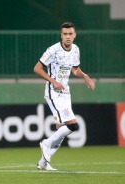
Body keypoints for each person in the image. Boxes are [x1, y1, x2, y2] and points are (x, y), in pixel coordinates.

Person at [33, 22, 95, 171]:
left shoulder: (75, 49)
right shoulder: (53, 50)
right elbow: (37, 68)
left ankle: (43, 163)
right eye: (65, 34)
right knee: (72, 125)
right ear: (61, 35)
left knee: (61, 130)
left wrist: (84, 76)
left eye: (70, 34)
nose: (67, 36)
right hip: (53, 93)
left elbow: (75, 70)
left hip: (65, 92)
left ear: (74, 35)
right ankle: (46, 144)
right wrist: (53, 81)